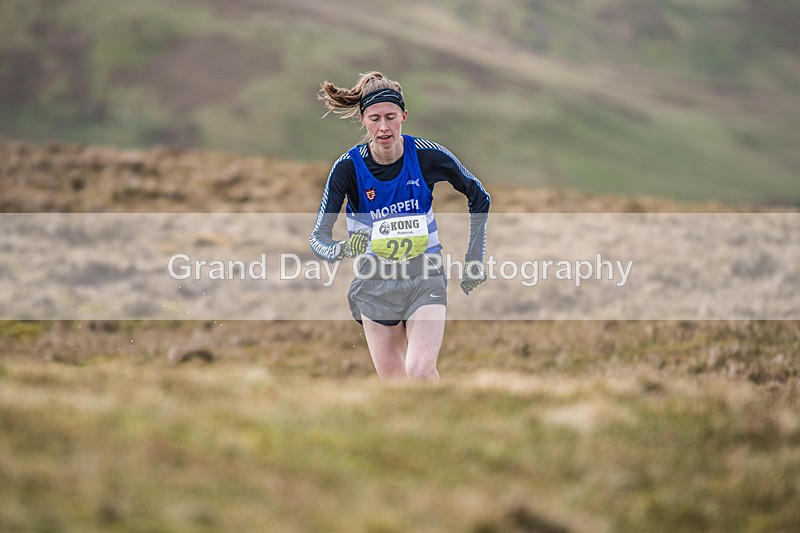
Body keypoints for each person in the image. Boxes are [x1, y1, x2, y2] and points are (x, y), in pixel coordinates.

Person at [309, 71, 490, 381]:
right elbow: (318, 238)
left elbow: (480, 197)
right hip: (374, 285)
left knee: (419, 371)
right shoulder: (348, 168)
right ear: (363, 120)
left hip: (425, 276)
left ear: (404, 115)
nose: (384, 127)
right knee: (397, 386)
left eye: (391, 117)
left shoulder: (427, 156)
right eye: (375, 118)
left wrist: (474, 261)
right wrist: (342, 250)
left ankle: (446, 411)